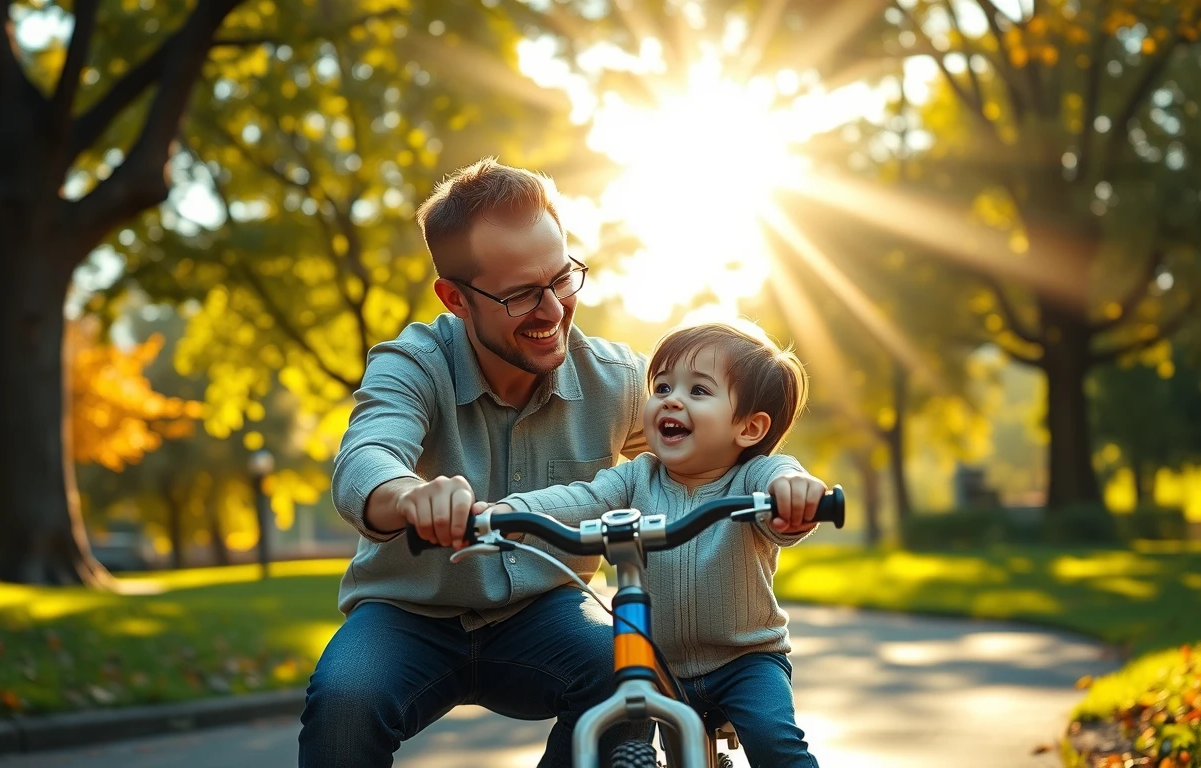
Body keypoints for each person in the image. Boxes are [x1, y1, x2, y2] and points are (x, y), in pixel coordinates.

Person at [298, 158, 828, 768]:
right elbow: (367, 456)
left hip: (545, 612)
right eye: (522, 294)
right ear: (456, 299)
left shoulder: (621, 380)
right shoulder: (412, 363)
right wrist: (406, 494)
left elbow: (722, 445)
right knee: (345, 699)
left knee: (626, 673)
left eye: (563, 279)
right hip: (410, 612)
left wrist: (785, 492)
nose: (553, 310)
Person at [486, 322, 825, 768]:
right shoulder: (636, 478)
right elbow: (581, 499)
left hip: (745, 662)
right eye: (662, 385)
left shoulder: (755, 480)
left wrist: (795, 496)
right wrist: (504, 513)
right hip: (657, 666)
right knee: (640, 742)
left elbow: (786, 484)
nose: (671, 398)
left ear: (749, 428)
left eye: (699, 391)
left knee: (774, 743)